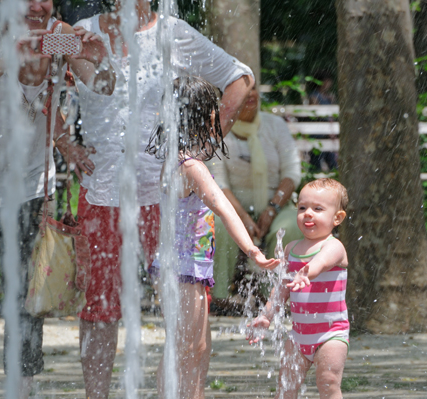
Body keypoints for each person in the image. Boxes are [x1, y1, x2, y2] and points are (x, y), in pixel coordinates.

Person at [65, 3, 254, 398]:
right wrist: (64, 143)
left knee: (185, 317)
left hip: (165, 199)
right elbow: (35, 76)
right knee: (100, 308)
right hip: (102, 193)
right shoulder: (82, 31)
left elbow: (240, 79)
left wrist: (201, 148)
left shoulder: (174, 32)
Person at [0, 0, 115, 397]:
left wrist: (99, 57)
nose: (38, 4)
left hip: (26, 180)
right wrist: (11, 55)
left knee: (28, 292)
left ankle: (23, 386)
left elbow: (102, 85)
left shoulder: (59, 37)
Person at [147, 76, 279, 399]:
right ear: (203, 117)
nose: (220, 116)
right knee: (185, 349)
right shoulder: (192, 167)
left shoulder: (176, 159)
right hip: (182, 269)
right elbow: (223, 207)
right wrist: (252, 250)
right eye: (215, 110)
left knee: (198, 347)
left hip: (186, 268)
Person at [248, 178, 349, 399]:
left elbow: (322, 262)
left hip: (331, 334)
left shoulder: (334, 246)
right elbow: (282, 288)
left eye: (318, 208)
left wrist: (307, 272)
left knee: (329, 382)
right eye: (302, 208)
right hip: (298, 335)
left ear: (337, 218)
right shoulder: (292, 249)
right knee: (286, 385)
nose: (308, 213)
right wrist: (267, 315)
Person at [206, 87, 301, 302]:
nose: (250, 95)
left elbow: (292, 173)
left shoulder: (274, 126)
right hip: (230, 208)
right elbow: (218, 184)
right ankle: (218, 298)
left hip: (276, 207)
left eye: (253, 89)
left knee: (292, 226)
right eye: (243, 91)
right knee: (218, 227)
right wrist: (243, 219)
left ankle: (276, 301)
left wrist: (272, 208)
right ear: (227, 99)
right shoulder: (218, 130)